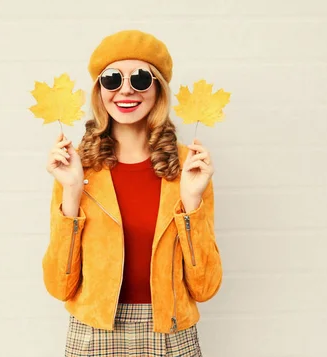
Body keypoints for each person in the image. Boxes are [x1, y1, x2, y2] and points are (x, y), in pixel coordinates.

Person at [42, 29, 223, 356]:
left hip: (169, 332)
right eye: (112, 79)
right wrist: (71, 192)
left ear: (157, 89)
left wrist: (192, 203)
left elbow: (204, 287)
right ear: (99, 91)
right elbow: (59, 285)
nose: (126, 89)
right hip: (94, 333)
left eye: (140, 78)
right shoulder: (77, 168)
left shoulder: (189, 166)